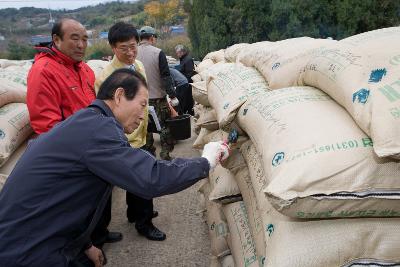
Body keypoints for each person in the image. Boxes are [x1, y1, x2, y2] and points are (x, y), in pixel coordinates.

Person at [0, 69, 229, 267]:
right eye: (141, 105)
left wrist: (85, 244)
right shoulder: (98, 129)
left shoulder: (86, 122)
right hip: (28, 253)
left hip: (34, 240)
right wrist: (205, 162)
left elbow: (63, 199)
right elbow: (151, 177)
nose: (143, 115)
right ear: (119, 96)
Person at [26, 18, 122, 249]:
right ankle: (84, 247)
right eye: (74, 38)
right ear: (56, 39)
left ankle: (100, 234)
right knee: (80, 205)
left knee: (101, 195)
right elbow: (46, 123)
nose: (81, 45)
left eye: (85, 39)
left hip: (94, 143)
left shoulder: (84, 68)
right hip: (73, 152)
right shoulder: (44, 71)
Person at [95, 22, 165, 241]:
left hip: (141, 132)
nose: (130, 52)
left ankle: (135, 212)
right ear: (113, 48)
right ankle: (144, 224)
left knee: (139, 177)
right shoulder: (106, 78)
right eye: (124, 48)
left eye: (133, 46)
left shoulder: (139, 66)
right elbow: (110, 114)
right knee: (143, 177)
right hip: (125, 137)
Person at [137, 26, 178, 160]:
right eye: (155, 38)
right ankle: (165, 155)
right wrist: (172, 95)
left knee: (145, 129)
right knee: (164, 127)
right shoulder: (158, 52)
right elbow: (166, 76)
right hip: (158, 99)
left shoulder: (133, 52)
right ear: (152, 38)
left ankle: (149, 157)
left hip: (140, 100)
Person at [174, 44, 195, 114]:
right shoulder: (183, 60)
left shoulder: (188, 60)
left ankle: (188, 115)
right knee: (183, 102)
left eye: (177, 53)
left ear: (182, 52)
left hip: (186, 85)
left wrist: (181, 79)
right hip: (182, 84)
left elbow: (190, 73)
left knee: (187, 102)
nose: (177, 55)